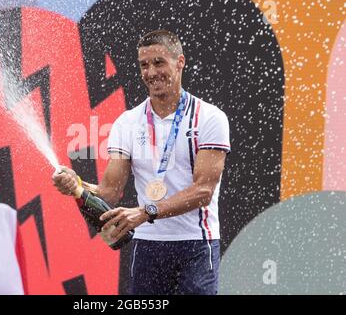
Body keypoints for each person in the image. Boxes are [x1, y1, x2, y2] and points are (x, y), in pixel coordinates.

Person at [53, 29, 230, 295]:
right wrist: (76, 185)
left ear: (179, 62)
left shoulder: (210, 118)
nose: (150, 72)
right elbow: (110, 191)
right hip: (148, 245)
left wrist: (145, 212)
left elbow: (203, 192)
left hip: (196, 244)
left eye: (159, 62)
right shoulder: (127, 122)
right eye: (144, 65)